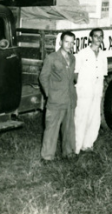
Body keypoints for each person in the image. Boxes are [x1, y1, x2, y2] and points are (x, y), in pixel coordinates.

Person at [39, 31, 77, 161]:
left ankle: (69, 153)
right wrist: (50, 94)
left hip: (69, 99)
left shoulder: (72, 58)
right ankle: (47, 157)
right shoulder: (52, 58)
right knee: (51, 129)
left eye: (72, 42)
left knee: (69, 129)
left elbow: (70, 78)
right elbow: (43, 77)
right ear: (60, 42)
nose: (69, 45)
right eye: (66, 42)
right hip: (56, 100)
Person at [74, 28, 108, 154]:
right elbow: (75, 73)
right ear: (90, 38)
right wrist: (79, 89)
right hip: (84, 91)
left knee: (94, 118)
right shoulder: (82, 54)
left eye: (101, 37)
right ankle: (76, 147)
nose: (98, 39)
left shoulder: (103, 55)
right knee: (81, 117)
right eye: (96, 36)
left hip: (96, 91)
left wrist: (101, 91)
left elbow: (103, 75)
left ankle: (87, 144)